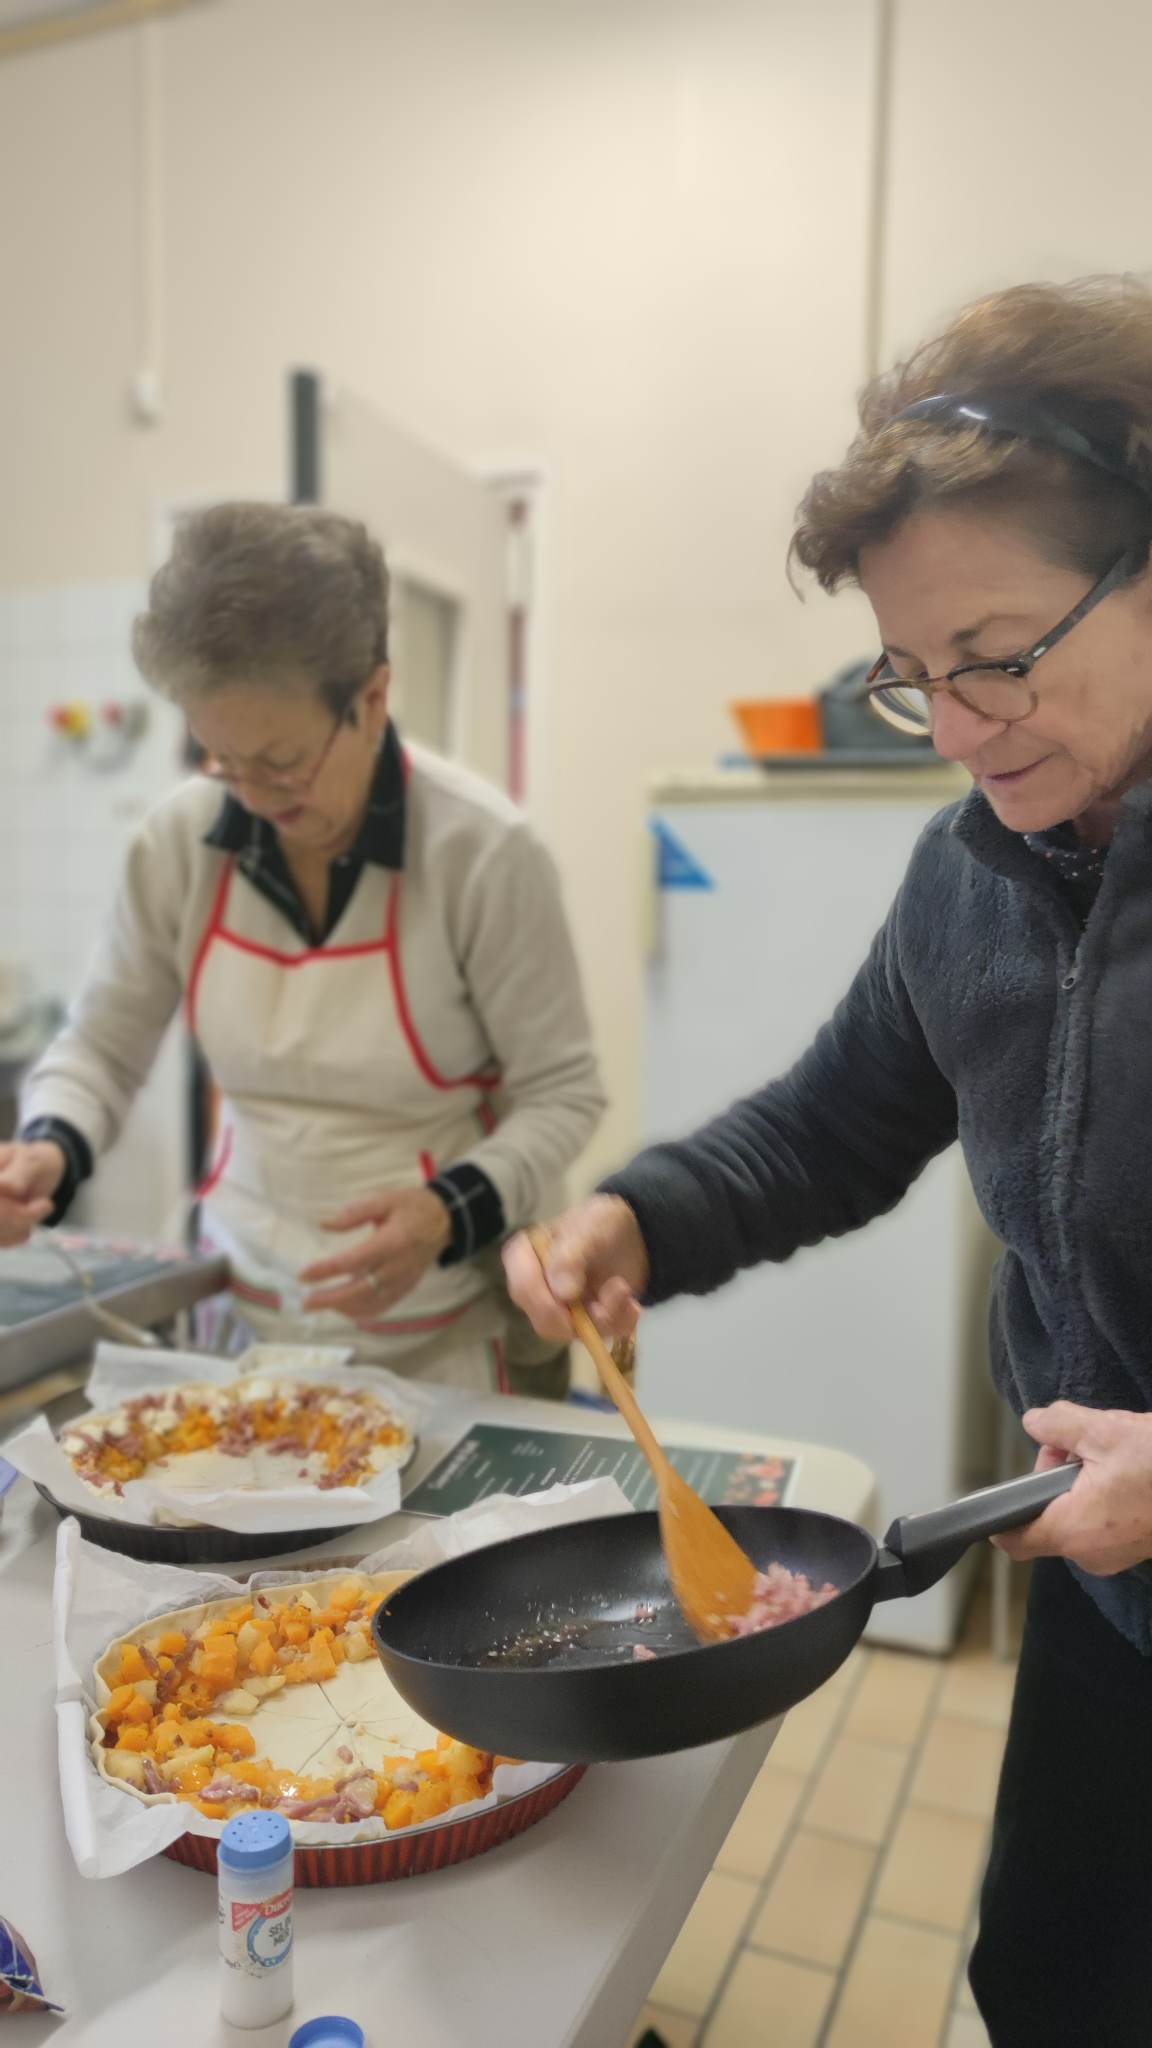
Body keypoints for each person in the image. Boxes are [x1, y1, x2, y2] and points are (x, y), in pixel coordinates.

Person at [505, 277, 1152, 2044]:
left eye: (1000, 655)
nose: (954, 726)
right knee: (1055, 1982)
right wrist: (640, 1211)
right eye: (911, 674)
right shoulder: (977, 867)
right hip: (1108, 1603)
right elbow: (839, 1116)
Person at [1, 502, 605, 1392]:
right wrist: (47, 1148)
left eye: (280, 762)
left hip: (454, 1339)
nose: (250, 794)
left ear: (371, 698)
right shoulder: (179, 845)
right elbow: (100, 1046)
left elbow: (563, 1096)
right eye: (221, 758)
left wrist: (446, 1212)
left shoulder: (482, 853)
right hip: (245, 1313)